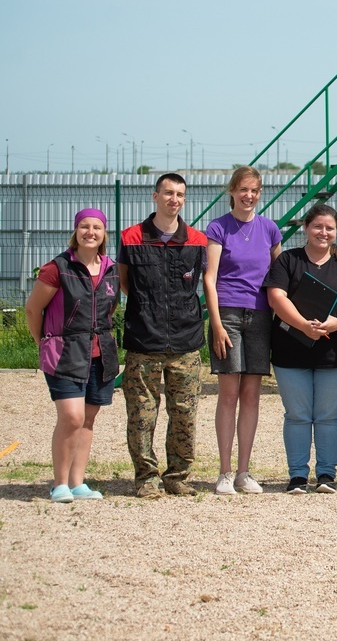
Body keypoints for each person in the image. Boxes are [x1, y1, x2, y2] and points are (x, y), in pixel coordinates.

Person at [265, 204, 337, 494]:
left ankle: (326, 474)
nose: (324, 232)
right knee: (297, 415)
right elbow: (276, 296)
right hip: (291, 350)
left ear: (336, 231)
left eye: (329, 228)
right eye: (317, 226)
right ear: (306, 228)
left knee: (329, 415)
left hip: (336, 351)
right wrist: (302, 325)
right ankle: (297, 475)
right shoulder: (288, 260)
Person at [119, 173, 209, 498]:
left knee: (184, 412)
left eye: (180, 194)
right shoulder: (130, 237)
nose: (174, 199)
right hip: (144, 339)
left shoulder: (197, 240)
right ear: (155, 196)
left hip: (186, 342)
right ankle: (146, 478)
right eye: (168, 193)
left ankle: (178, 477)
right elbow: (125, 282)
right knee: (142, 413)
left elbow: (201, 282)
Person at [25, 208, 121, 502]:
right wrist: (43, 341)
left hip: (99, 353)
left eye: (96, 227)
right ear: (75, 231)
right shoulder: (57, 268)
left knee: (88, 419)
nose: (90, 232)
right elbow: (32, 309)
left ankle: (78, 483)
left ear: (104, 234)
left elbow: (110, 308)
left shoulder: (111, 268)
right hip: (63, 352)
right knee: (71, 416)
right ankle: (59, 483)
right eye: (84, 226)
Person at [203, 166, 282, 495]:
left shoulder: (270, 230)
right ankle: (223, 472)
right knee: (229, 394)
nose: (248, 196)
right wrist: (217, 323)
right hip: (229, 315)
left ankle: (243, 472)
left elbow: (280, 275)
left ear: (260, 193)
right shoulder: (218, 228)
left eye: (254, 190)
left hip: (261, 317)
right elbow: (210, 278)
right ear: (231, 192)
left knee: (251, 396)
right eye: (243, 190)